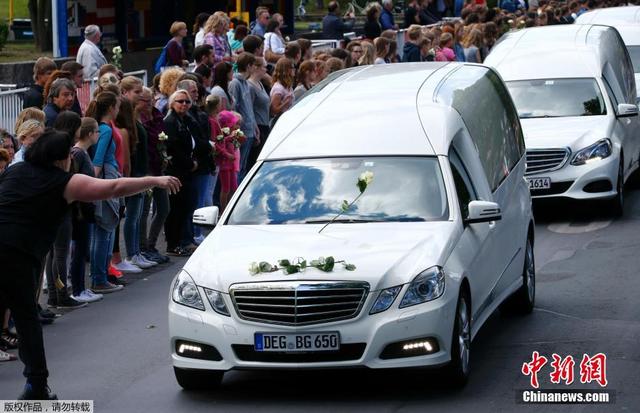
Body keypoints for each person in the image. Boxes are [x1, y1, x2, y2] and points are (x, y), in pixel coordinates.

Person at [0, 129, 180, 400]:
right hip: (16, 254)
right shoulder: (64, 182)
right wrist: (155, 179)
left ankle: (36, 385)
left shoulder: (14, 171)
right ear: (62, 159)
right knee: (26, 319)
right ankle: (36, 386)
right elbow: (113, 187)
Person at [86, 91, 127, 292]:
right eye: (117, 105)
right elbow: (98, 160)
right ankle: (99, 278)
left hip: (106, 177)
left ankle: (101, 276)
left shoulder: (102, 128)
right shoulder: (106, 130)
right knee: (104, 230)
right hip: (106, 179)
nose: (119, 109)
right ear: (111, 107)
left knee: (104, 231)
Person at [69, 118, 104, 304]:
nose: (99, 134)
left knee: (82, 249)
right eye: (97, 131)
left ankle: (81, 287)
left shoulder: (83, 153)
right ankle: (78, 289)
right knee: (80, 249)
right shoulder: (79, 153)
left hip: (85, 208)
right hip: (81, 210)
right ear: (90, 133)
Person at [163, 90, 200, 256]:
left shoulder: (185, 120)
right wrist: (189, 162)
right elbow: (174, 147)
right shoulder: (170, 121)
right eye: (180, 101)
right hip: (177, 170)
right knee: (176, 208)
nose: (184, 104)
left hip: (186, 171)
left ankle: (179, 242)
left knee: (184, 207)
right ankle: (173, 244)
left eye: (187, 102)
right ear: (172, 103)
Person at [138, 87, 171, 264]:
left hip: (159, 167)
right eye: (145, 100)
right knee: (143, 211)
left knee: (164, 208)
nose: (149, 103)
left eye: (151, 99)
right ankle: (142, 247)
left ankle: (150, 244)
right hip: (147, 169)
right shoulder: (139, 120)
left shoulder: (157, 115)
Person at [228, 53, 259, 181]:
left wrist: (254, 126)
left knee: (244, 166)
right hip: (242, 131)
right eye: (254, 65)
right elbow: (234, 109)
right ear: (248, 66)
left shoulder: (245, 83)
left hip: (250, 129)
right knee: (239, 167)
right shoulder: (235, 83)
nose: (255, 68)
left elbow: (249, 107)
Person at [247, 57, 271, 170]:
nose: (266, 70)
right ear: (256, 67)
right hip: (258, 126)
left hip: (265, 125)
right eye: (264, 67)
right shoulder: (250, 86)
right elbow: (249, 107)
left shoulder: (260, 84)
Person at [215, 111, 241, 212]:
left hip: (231, 164)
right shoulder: (222, 132)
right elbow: (219, 143)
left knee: (234, 187)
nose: (235, 125)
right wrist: (229, 138)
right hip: (224, 164)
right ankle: (223, 210)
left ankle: (230, 209)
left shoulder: (230, 132)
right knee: (225, 188)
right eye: (233, 122)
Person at [270, 58, 295, 123]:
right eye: (292, 67)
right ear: (287, 70)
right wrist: (285, 103)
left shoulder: (287, 86)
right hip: (281, 121)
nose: (294, 69)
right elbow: (273, 110)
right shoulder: (278, 88)